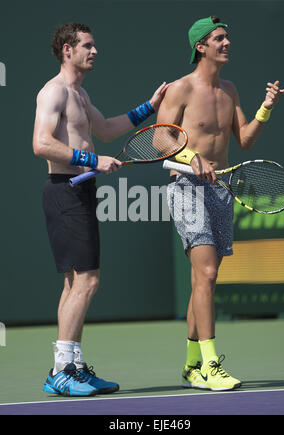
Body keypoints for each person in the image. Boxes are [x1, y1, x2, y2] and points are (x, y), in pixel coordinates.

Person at [33, 22, 168, 397]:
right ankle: (62, 370)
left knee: (75, 282)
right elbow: (42, 144)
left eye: (94, 46)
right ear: (67, 51)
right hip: (65, 192)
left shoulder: (79, 94)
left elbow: (107, 129)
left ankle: (70, 366)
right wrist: (92, 159)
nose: (95, 51)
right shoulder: (54, 92)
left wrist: (150, 107)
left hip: (79, 191)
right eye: (88, 46)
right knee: (88, 281)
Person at [157, 15, 284, 391]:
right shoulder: (179, 89)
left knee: (205, 280)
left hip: (221, 188)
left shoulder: (229, 90)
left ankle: (190, 366)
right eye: (218, 38)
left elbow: (245, 139)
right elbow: (159, 140)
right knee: (208, 274)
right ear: (201, 47)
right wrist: (191, 157)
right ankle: (212, 365)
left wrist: (266, 106)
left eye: (227, 38)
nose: (226, 43)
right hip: (185, 186)